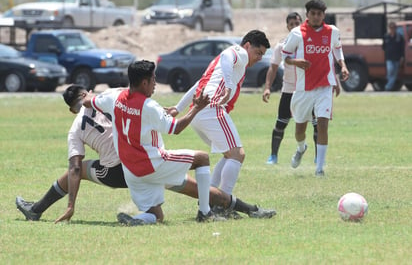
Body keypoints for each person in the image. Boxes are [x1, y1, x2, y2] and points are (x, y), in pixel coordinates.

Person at [15, 86, 276, 223]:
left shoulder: (76, 127)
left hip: (122, 172)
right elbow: (145, 108)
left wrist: (71, 205)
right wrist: (171, 111)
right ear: (89, 92)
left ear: (73, 110)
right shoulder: (114, 96)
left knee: (81, 169)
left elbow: (73, 169)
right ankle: (248, 209)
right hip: (145, 158)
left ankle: (37, 209)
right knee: (194, 187)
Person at [167, 30, 270, 197]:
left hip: (198, 112)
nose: (259, 58)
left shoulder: (224, 63)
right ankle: (222, 202)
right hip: (211, 109)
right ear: (247, 45)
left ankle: (210, 200)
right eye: (258, 53)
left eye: (262, 55)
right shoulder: (239, 53)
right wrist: (229, 86)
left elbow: (200, 83)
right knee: (237, 154)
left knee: (229, 154)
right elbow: (227, 56)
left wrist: (178, 108)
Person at [281, 0, 349, 177]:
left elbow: (337, 49)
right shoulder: (297, 34)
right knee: (299, 130)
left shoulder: (332, 31)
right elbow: (285, 56)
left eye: (320, 14)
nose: (316, 17)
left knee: (322, 125)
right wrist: (296, 61)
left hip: (325, 85)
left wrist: (343, 65)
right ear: (307, 15)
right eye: (313, 14)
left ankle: (319, 169)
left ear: (323, 15)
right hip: (303, 88)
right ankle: (301, 147)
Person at [262, 12, 318, 165]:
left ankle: (318, 158)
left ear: (302, 24)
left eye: (297, 23)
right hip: (288, 90)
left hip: (309, 89)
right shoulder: (282, 45)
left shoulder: (310, 43)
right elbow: (273, 68)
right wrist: (267, 88)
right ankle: (273, 156)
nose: (294, 26)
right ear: (287, 26)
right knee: (281, 123)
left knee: (317, 124)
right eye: (291, 24)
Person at [382, 21, 404, 91]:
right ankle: (388, 86)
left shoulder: (399, 37)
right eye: (391, 28)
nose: (392, 29)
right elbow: (383, 46)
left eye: (393, 28)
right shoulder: (386, 36)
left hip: (397, 58)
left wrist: (402, 57)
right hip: (389, 57)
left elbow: (402, 48)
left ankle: (388, 87)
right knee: (390, 70)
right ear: (389, 28)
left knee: (394, 73)